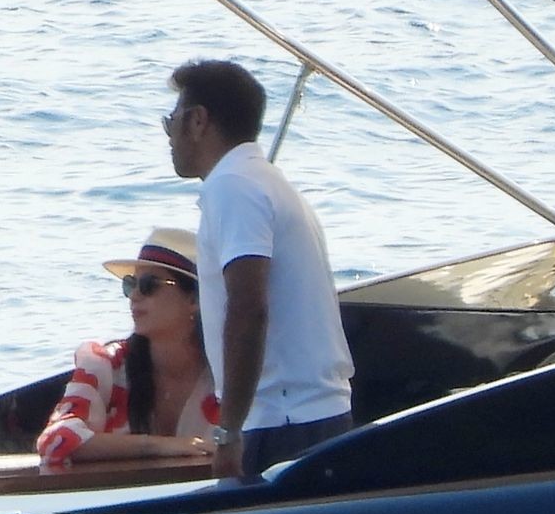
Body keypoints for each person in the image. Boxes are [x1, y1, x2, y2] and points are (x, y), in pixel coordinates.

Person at [163, 59, 353, 480]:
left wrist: (228, 431)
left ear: (198, 121)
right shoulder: (266, 181)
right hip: (312, 415)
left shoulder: (233, 187)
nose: (169, 136)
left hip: (282, 422)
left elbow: (248, 307)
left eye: (170, 122)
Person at [35, 227, 218, 471]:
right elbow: (55, 440)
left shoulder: (228, 375)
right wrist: (161, 446)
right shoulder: (105, 365)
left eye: (149, 285)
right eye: (130, 285)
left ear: (194, 299)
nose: (134, 296)